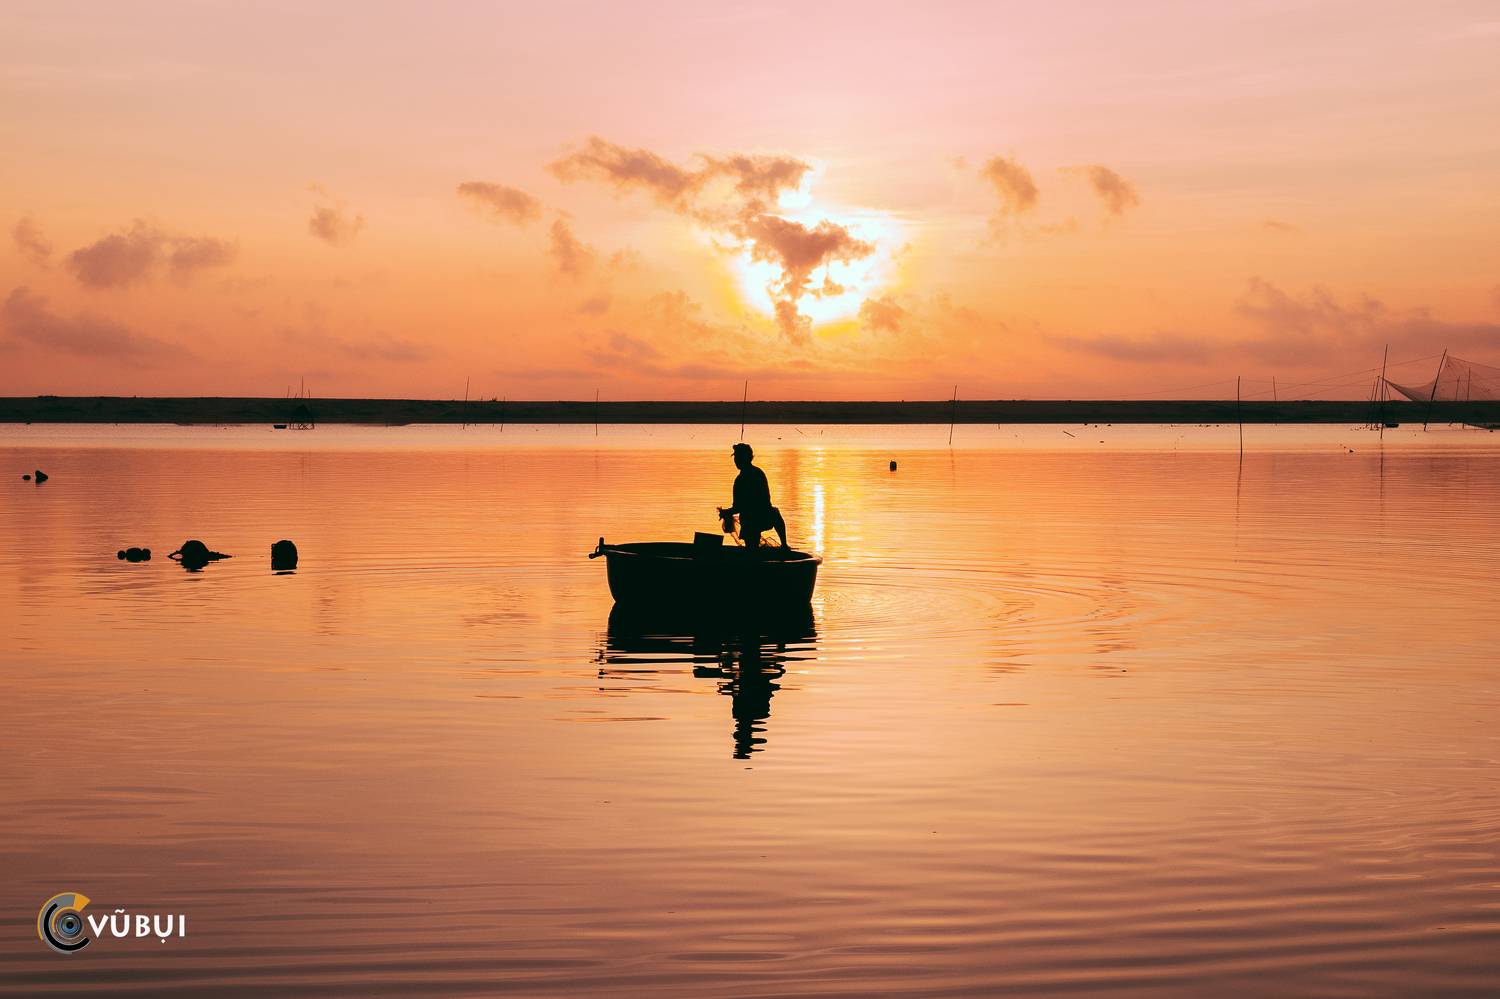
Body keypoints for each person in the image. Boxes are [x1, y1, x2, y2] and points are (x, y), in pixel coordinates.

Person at [717, 443, 788, 549]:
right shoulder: (758, 473)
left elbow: (738, 507)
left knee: (751, 547)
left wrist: (726, 512)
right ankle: (784, 545)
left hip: (751, 520)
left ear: (746, 458)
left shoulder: (740, 480)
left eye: (738, 457)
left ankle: (780, 546)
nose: (736, 460)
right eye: (735, 457)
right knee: (775, 512)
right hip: (766, 515)